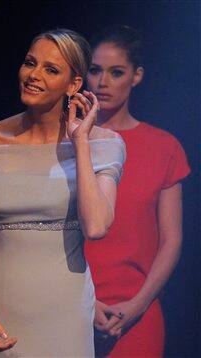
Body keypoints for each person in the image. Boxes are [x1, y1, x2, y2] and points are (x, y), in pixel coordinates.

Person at [0, 28, 126, 357]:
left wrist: (80, 142)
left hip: (68, 313)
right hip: (1, 310)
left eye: (51, 69)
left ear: (74, 85)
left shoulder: (104, 145)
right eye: (30, 63)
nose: (33, 75)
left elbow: (96, 227)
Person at [84, 25, 191, 357]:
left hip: (136, 315)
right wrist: (82, 303)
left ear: (137, 75)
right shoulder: (68, 142)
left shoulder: (163, 147)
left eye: (116, 72)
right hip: (70, 306)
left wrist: (137, 305)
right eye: (95, 70)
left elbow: (171, 240)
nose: (103, 82)